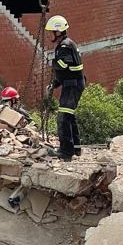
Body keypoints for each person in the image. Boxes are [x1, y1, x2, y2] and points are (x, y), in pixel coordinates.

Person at [45, 14, 85, 161]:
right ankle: (75, 148)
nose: (51, 35)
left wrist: (52, 62)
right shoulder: (65, 45)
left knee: (63, 118)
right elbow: (65, 72)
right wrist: (55, 84)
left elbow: (62, 65)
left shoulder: (65, 46)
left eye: (52, 32)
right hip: (72, 84)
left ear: (58, 32)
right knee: (69, 116)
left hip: (72, 87)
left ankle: (66, 152)